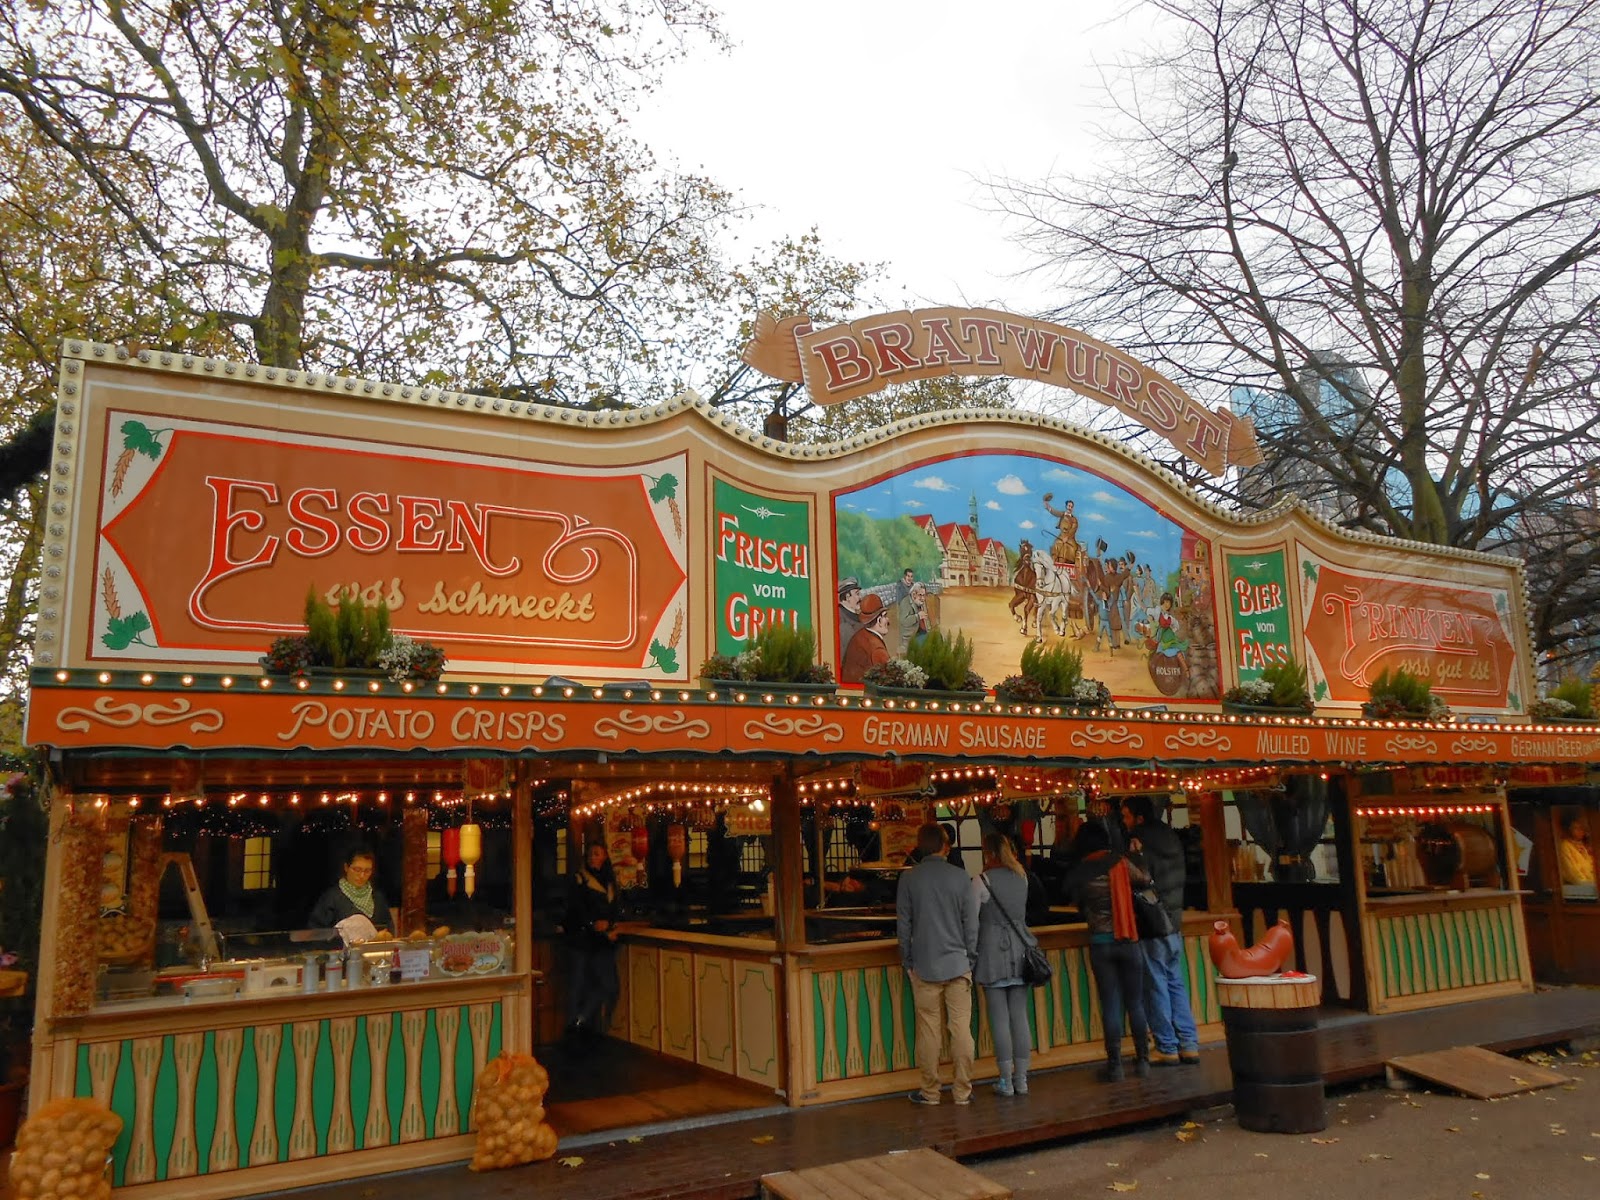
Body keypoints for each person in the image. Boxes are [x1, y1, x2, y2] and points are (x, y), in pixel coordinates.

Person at [897, 822, 979, 1105]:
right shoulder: (961, 877)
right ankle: (962, 1091)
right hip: (958, 964)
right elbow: (971, 924)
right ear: (945, 845)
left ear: (920, 846)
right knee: (961, 1029)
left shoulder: (909, 878)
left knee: (929, 1031)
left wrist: (908, 959)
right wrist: (970, 957)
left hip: (924, 965)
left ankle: (930, 1092)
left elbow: (904, 925)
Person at [1068, 818, 1152, 1081]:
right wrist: (1139, 856)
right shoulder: (1120, 862)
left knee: (1111, 1004)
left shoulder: (1082, 870)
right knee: (1135, 1003)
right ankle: (1143, 1061)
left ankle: (1115, 1066)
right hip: (1127, 939)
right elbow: (1145, 880)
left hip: (1100, 942)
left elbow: (1075, 901)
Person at [1124, 796, 1200, 1066]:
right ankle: (1189, 1044)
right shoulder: (1171, 836)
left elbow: (1137, 880)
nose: (1124, 821)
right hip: (1173, 922)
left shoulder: (1138, 841)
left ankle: (1166, 1046)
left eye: (1126, 816)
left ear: (1139, 818)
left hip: (1152, 921)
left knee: (1155, 984)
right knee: (1175, 982)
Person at [974, 832, 1038, 1097]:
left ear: (988, 853)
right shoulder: (1022, 876)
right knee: (1019, 1017)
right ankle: (1022, 1080)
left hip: (992, 952)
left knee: (999, 1019)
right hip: (1021, 950)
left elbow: (971, 920)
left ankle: (1005, 1081)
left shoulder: (981, 880)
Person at [563, 842, 621, 1037]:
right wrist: (593, 924)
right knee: (578, 984)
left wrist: (609, 925)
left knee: (607, 985)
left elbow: (615, 909)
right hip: (581, 939)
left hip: (602, 942)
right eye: (590, 854)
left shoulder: (610, 882)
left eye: (597, 854)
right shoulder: (580, 879)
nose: (592, 857)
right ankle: (574, 1027)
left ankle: (582, 1019)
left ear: (605, 856)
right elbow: (576, 908)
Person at [309, 847, 393, 935]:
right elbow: (317, 933)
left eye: (367, 871)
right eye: (357, 870)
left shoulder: (378, 898)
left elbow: (389, 929)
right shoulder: (332, 898)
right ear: (346, 867)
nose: (362, 875)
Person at [841, 594, 891, 683]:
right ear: (879, 620)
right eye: (885, 616)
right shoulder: (877, 648)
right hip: (863, 690)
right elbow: (889, 679)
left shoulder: (860, 635)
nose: (888, 621)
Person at [1559, 811, 1595, 887]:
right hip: (1578, 886)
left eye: (1582, 828)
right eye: (1576, 828)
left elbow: (1590, 867)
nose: (1580, 831)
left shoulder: (1583, 847)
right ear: (1569, 829)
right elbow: (1572, 874)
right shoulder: (1565, 846)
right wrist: (1588, 884)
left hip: (1589, 883)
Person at [837, 577, 865, 648]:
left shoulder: (856, 615)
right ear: (847, 597)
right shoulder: (841, 619)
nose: (860, 597)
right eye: (857, 594)